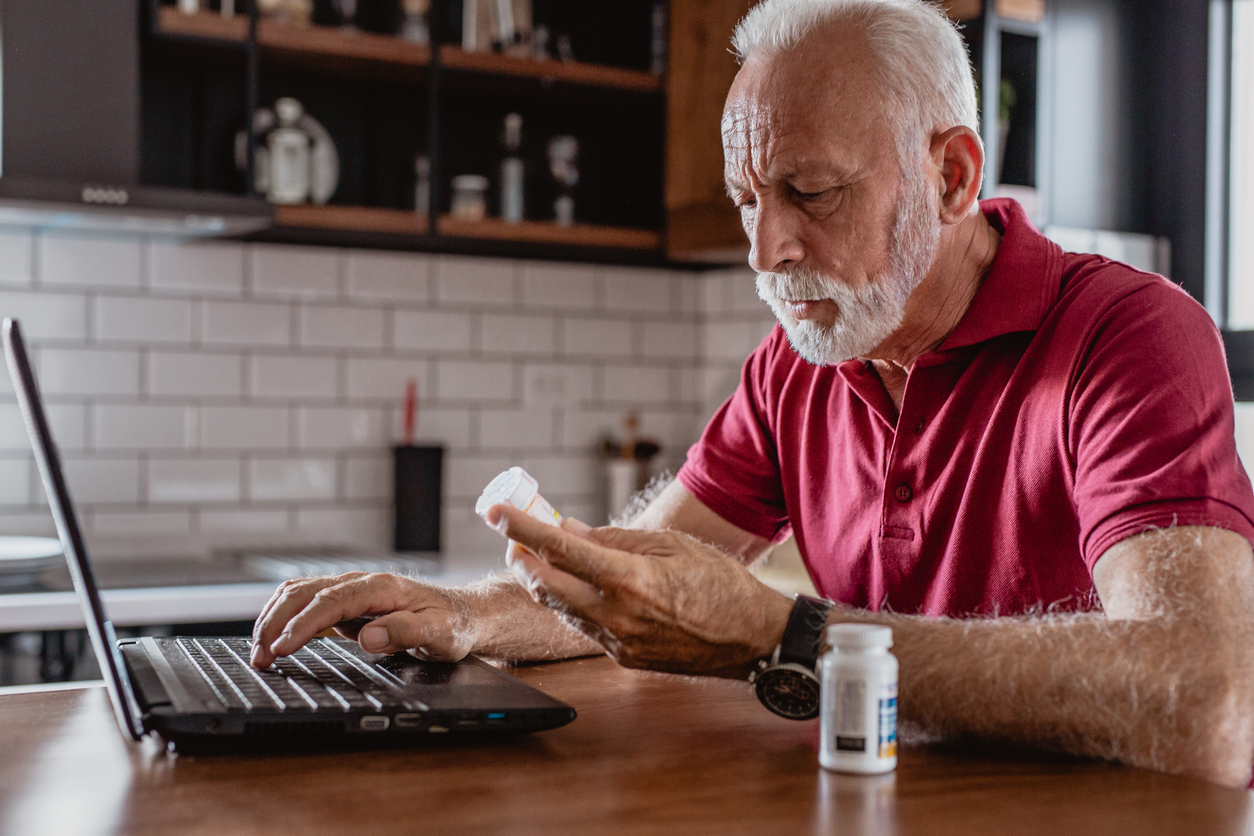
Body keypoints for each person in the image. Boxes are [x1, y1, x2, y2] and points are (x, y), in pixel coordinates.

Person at [250, 0, 1254, 787]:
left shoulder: (1128, 336)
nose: (767, 250)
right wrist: (466, 613)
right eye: (747, 200)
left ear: (951, 177)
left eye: (811, 194)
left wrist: (791, 637)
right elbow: (640, 579)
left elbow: (1208, 699)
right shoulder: (798, 360)